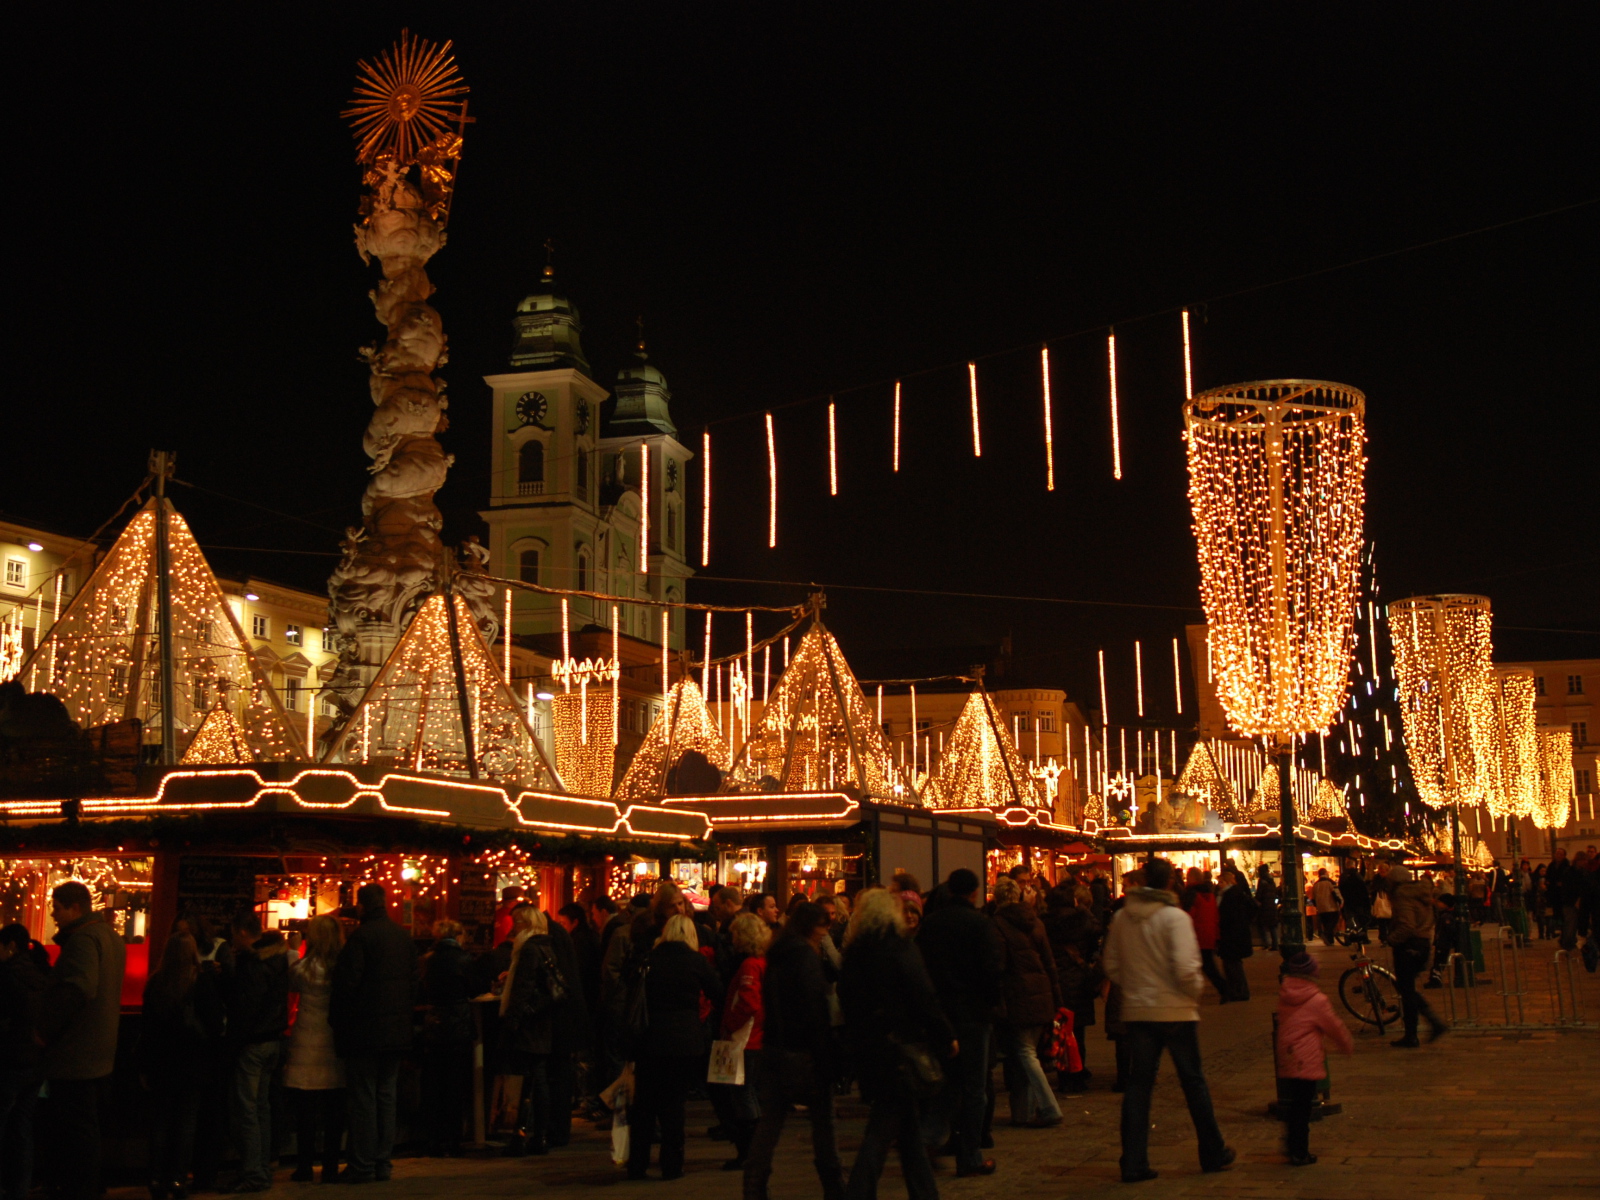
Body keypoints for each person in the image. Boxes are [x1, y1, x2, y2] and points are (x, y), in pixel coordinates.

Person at [1102, 857, 1233, 1184]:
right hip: (1174, 1009)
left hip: (1138, 1010)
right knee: (1192, 1080)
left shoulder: (1122, 918)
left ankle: (1133, 1161)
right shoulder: (1174, 917)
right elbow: (1187, 967)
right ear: (1170, 883)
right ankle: (1212, 1149)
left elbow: (1112, 966)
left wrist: (1134, 988)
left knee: (1139, 1085)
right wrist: (1193, 994)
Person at [838, 888, 954, 1200]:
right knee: (884, 1125)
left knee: (907, 1127)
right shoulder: (899, 949)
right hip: (900, 1048)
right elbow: (923, 997)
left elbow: (846, 1000)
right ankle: (859, 1191)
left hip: (869, 1047)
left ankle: (924, 1190)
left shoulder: (855, 953)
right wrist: (944, 1034)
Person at [743, 901, 845, 1200]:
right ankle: (834, 1185)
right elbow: (814, 1009)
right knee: (823, 1126)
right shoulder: (804, 958)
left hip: (775, 1048)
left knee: (770, 1123)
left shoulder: (778, 956)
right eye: (824, 925)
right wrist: (825, 1053)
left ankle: (754, 1183)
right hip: (804, 1052)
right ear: (812, 927)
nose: (827, 931)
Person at [37, 882, 126, 1200]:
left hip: (77, 1054)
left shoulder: (84, 940)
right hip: (101, 1051)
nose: (53, 915)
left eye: (57, 908)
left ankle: (79, 1189)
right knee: (89, 1127)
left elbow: (79, 988)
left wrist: (43, 1031)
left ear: (75, 908)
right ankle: (90, 1185)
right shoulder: (110, 937)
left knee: (75, 1130)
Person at [916, 868, 1003, 1177]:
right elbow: (991, 970)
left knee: (947, 1083)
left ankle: (928, 1139)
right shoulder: (979, 924)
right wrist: (991, 1003)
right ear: (974, 892)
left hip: (942, 1014)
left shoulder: (931, 924)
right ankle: (970, 1154)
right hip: (973, 1015)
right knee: (974, 1087)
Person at [626, 914, 723, 1181]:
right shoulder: (695, 961)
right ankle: (672, 1163)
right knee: (674, 1105)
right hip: (684, 1041)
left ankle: (638, 1163)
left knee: (645, 1105)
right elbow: (717, 991)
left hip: (650, 1039)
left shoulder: (650, 960)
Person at [331, 883, 417, 1183]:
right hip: (396, 1032)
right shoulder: (402, 937)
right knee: (386, 1097)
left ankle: (362, 1164)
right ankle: (383, 1162)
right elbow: (414, 983)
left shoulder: (361, 938)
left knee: (364, 1099)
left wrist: (339, 1023)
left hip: (365, 1032)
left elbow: (346, 987)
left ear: (362, 906)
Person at [141, 930, 223, 1200]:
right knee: (186, 1123)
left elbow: (148, 1029)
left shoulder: (155, 983)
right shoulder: (200, 981)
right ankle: (177, 1179)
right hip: (193, 1063)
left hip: (162, 1064)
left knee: (161, 1122)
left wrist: (145, 1065)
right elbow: (213, 1025)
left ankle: (156, 1178)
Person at [224, 914, 290, 1192]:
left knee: (247, 1109)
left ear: (242, 932)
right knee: (261, 1106)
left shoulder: (252, 963)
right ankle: (263, 1166)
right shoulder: (278, 959)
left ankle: (253, 1172)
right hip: (274, 1039)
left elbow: (247, 1006)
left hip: (253, 1042)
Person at [990, 876, 1063, 1127]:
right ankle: (1026, 1111)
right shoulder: (1035, 922)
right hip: (1040, 993)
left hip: (1018, 995)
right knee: (1030, 1053)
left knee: (1024, 1052)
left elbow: (998, 967)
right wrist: (1056, 997)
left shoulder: (998, 924)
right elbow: (1049, 962)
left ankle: (1049, 1106)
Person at [1273, 952, 1352, 1166]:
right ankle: (1300, 1152)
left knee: (1295, 1105)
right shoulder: (1317, 1000)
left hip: (1288, 1056)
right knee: (1303, 1108)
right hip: (1305, 1059)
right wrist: (1346, 1044)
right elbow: (1333, 1026)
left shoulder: (1285, 994)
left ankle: (1292, 1145)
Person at [499, 906, 564, 1156]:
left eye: (516, 923)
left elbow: (524, 988)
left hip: (529, 1025)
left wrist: (514, 1019)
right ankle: (540, 1134)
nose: (513, 928)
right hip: (542, 1024)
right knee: (538, 1078)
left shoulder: (527, 949)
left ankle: (522, 1134)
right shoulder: (545, 946)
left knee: (526, 1081)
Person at [284, 916, 345, 1182]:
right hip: (333, 1039)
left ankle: (305, 1165)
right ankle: (331, 1166)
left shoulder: (304, 967)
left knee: (306, 1109)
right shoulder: (342, 967)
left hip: (306, 1039)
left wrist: (290, 949)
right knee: (334, 1110)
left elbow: (290, 979)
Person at [718, 912, 772, 1170]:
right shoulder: (762, 962)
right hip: (755, 1037)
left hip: (745, 1038)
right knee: (748, 1093)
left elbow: (749, 1003)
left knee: (742, 1094)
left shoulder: (750, 965)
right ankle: (754, 1150)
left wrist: (730, 1023)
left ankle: (749, 1151)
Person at [417, 919, 474, 1157]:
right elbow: (475, 988)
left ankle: (433, 1139)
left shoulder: (427, 960)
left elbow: (419, 990)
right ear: (458, 936)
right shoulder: (465, 960)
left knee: (433, 1084)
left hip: (433, 1025)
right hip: (458, 1025)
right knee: (455, 1084)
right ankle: (453, 1139)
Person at [0, 924, 47, 1200]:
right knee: (23, 1128)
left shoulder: (7, 975)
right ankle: (20, 1188)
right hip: (36, 1063)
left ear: (11, 946)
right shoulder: (40, 970)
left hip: (10, 1060)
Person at [1383, 865, 1448, 1047]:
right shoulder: (1420, 893)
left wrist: (1392, 939)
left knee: (1406, 990)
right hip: (1423, 944)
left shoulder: (1403, 896)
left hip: (1409, 946)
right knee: (1407, 989)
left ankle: (1428, 1026)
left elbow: (1407, 925)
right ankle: (1415, 1032)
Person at [1180, 870, 1229, 1003]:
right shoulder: (1210, 894)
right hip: (1208, 935)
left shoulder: (1191, 894)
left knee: (1204, 967)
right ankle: (1224, 989)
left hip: (1196, 935)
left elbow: (1188, 915)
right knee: (1208, 965)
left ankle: (1224, 989)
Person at [1215, 871, 1255, 1002]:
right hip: (1235, 933)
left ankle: (1240, 991)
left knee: (1233, 964)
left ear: (1227, 882)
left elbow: (1228, 915)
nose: (1218, 884)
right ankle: (1237, 991)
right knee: (1231, 964)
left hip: (1232, 934)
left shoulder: (1230, 895)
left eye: (1221, 882)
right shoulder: (1234, 893)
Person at [1254, 865, 1280, 951]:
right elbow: (1275, 893)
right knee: (1272, 926)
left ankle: (1266, 943)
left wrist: (1257, 901)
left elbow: (1259, 894)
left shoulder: (1262, 881)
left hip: (1264, 906)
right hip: (1271, 905)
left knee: (1261, 925)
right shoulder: (1271, 880)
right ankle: (1275, 944)